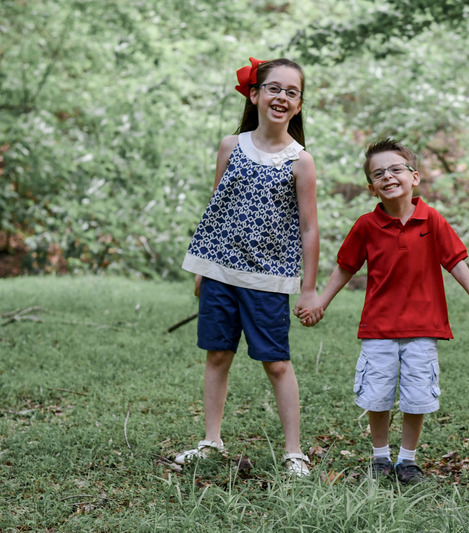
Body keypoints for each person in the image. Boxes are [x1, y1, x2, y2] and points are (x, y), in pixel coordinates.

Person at [297, 139, 469, 484]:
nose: (388, 177)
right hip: (379, 327)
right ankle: (380, 457)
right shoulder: (366, 225)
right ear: (371, 188)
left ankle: (408, 460)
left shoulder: (431, 219)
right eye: (379, 174)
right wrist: (320, 301)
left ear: (415, 177)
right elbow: (346, 267)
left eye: (396, 169)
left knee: (416, 397)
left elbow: (455, 262)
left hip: (424, 327)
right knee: (376, 395)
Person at [176, 57, 323, 476]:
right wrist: (203, 267)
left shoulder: (301, 161)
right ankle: (211, 441)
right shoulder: (230, 145)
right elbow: (217, 208)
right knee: (218, 355)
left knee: (276, 362)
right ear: (255, 94)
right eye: (273, 88)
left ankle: (294, 451)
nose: (281, 96)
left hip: (268, 278)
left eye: (291, 92)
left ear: (297, 106)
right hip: (221, 271)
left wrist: (308, 288)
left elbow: (310, 228)